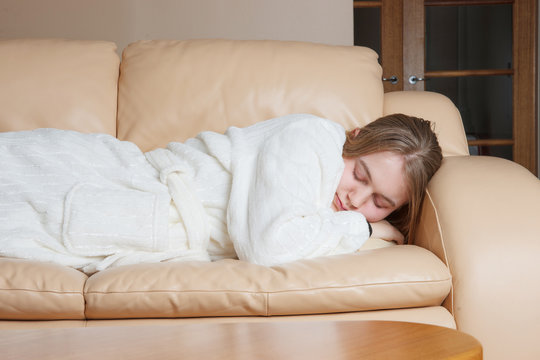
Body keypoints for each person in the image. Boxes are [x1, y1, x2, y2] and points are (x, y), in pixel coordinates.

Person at [0, 113, 442, 273]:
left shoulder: (330, 204)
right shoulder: (311, 138)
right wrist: (362, 229)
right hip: (117, 178)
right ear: (355, 137)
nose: (355, 199)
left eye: (380, 203)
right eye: (359, 174)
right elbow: (270, 247)